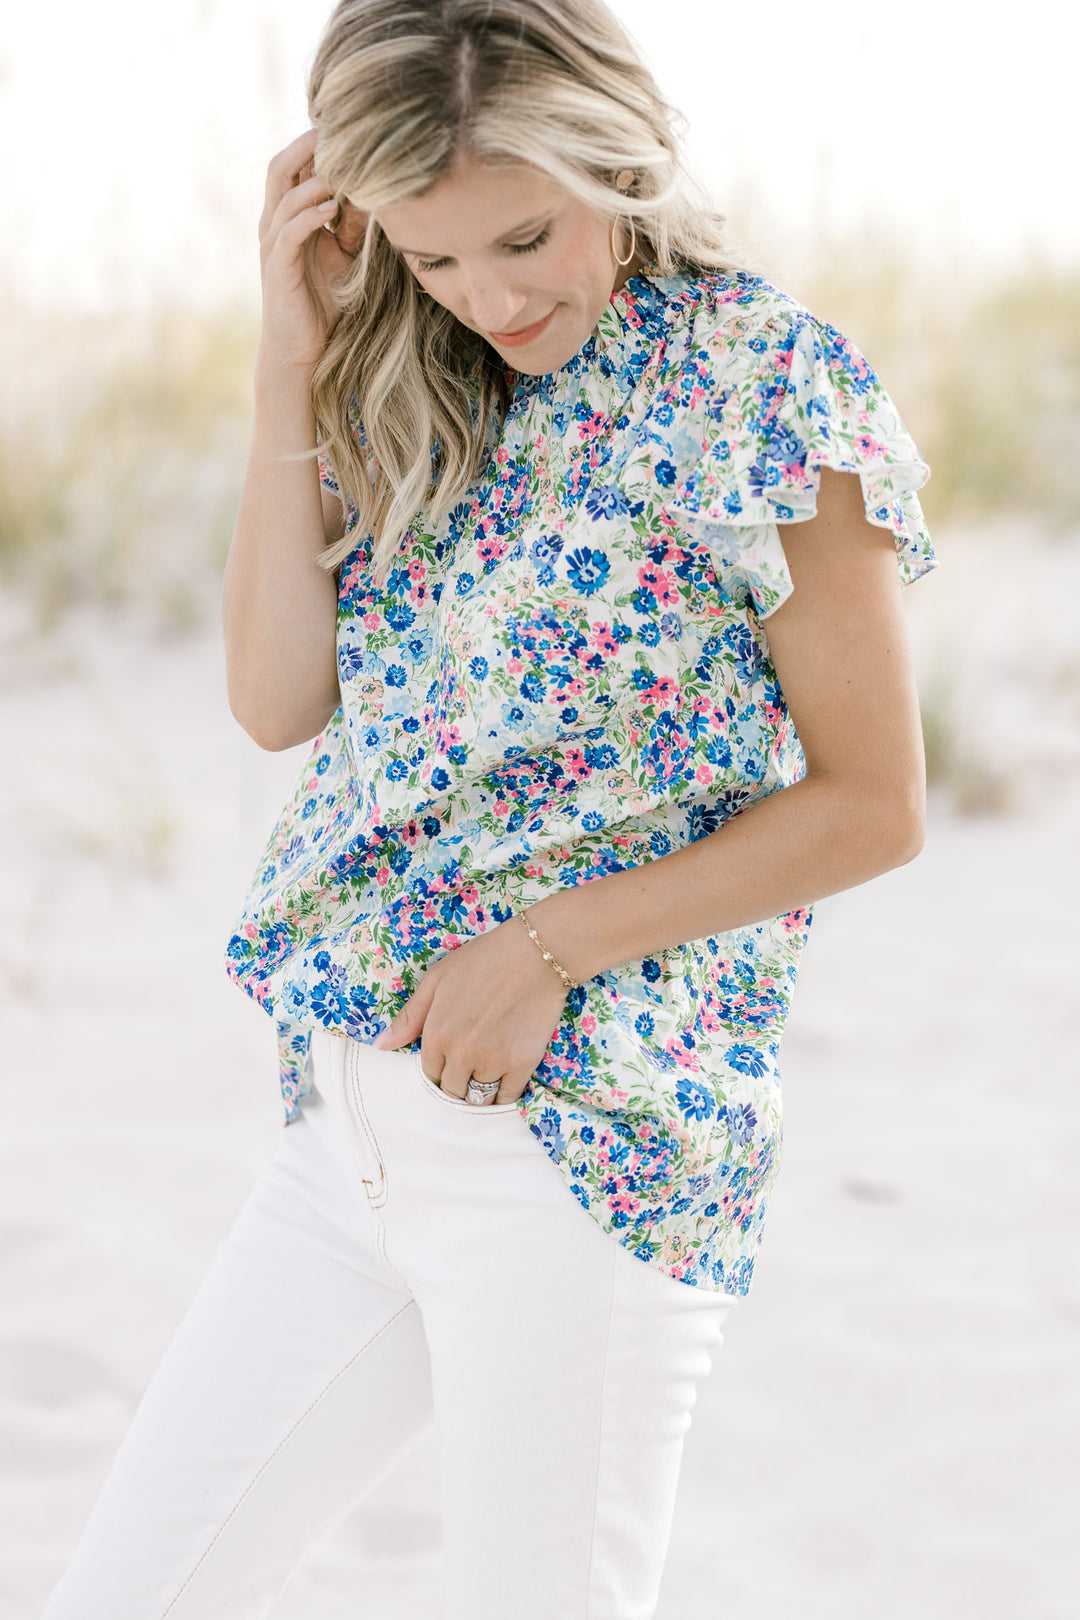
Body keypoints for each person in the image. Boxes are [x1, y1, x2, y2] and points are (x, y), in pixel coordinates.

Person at [41, 1, 938, 1616]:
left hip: (587, 1159)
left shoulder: (759, 376)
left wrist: (547, 949)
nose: (495, 298)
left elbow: (875, 803)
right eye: (435, 256)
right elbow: (273, 702)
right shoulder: (415, 370)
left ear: (615, 150)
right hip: (352, 1144)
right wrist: (290, 358)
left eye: (524, 236)